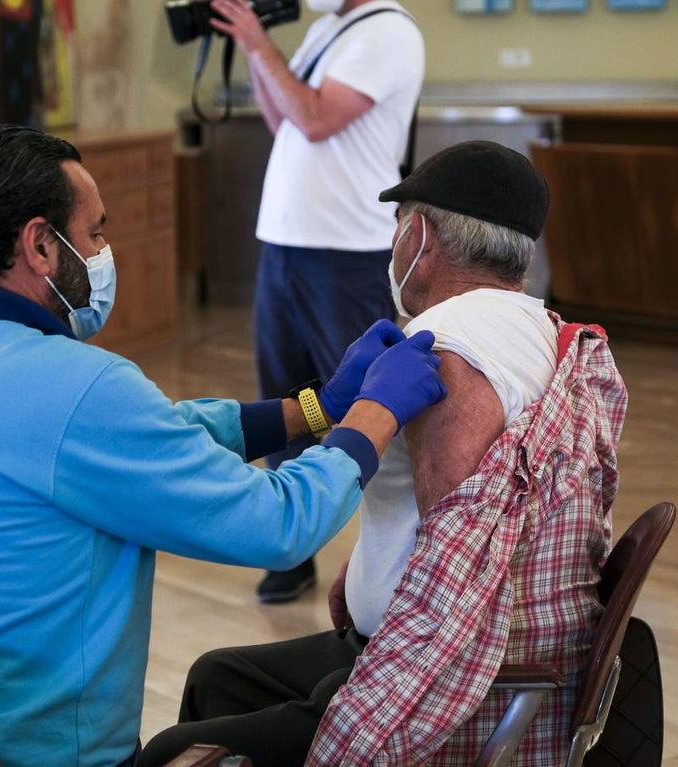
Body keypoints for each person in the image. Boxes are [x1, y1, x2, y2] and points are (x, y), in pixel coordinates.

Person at [0, 124, 447, 767]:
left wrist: (318, 410)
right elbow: (279, 524)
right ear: (42, 246)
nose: (106, 251)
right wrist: (374, 414)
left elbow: (153, 436)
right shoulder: (80, 389)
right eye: (96, 233)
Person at [137, 141, 629, 767]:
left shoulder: (447, 349)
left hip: (441, 675)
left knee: (175, 754)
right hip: (433, 642)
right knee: (218, 676)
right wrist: (325, 414)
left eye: (397, 227)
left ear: (417, 237)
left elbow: (458, 579)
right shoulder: (538, 326)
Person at [209, 0, 425, 603]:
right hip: (286, 242)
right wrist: (256, 49)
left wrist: (257, 42)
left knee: (375, 397)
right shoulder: (327, 28)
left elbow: (315, 117)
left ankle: (413, 553)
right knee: (291, 395)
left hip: (346, 250)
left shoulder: (387, 29)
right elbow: (282, 119)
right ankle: (291, 549)